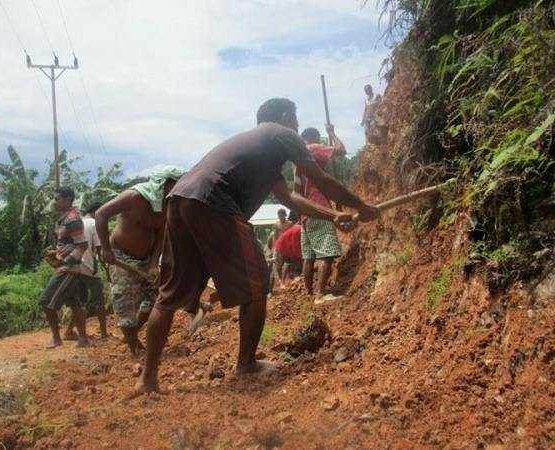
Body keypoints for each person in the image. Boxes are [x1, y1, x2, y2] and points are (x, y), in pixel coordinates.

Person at [134, 97, 379, 395]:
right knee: (258, 282)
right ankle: (246, 364)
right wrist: (362, 205)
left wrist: (334, 214)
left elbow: (290, 198)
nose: (298, 126)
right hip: (213, 200)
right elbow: (322, 180)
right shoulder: (282, 133)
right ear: (286, 116)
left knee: (168, 294)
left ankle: (147, 380)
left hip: (181, 198)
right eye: (297, 119)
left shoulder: (261, 149)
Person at [95, 167, 185, 355]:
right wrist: (106, 248)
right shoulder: (133, 197)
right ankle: (134, 347)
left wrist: (153, 263)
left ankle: (132, 334)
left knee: (155, 300)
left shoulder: (168, 205)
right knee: (124, 299)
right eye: (176, 184)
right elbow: (101, 214)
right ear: (165, 183)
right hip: (121, 255)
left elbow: (160, 236)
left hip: (147, 259)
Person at [295, 126, 347, 300]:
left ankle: (309, 293)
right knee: (328, 253)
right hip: (319, 209)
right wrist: (332, 132)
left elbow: (296, 192)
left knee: (308, 257)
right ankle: (320, 295)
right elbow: (341, 150)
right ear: (315, 138)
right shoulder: (314, 149)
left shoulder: (298, 161)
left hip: (304, 214)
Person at [38, 187, 89, 348]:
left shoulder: (72, 219)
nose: (55, 202)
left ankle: (56, 337)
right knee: (75, 303)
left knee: (45, 301)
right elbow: (71, 243)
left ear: (68, 200)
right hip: (68, 266)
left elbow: (82, 245)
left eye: (57, 199)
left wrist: (66, 263)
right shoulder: (64, 218)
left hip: (69, 269)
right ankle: (83, 339)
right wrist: (58, 252)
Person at [63, 200, 109, 341]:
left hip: (74, 266)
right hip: (89, 267)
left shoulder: (77, 222)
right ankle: (103, 334)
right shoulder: (95, 224)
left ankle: (69, 331)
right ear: (96, 211)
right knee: (99, 301)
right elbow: (100, 250)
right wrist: (105, 270)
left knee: (79, 302)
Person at [273, 223, 302, 287]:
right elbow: (295, 244)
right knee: (282, 264)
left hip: (288, 247)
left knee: (290, 263)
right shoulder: (298, 230)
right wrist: (299, 256)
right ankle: (282, 281)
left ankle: (290, 279)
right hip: (281, 247)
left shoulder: (298, 228)